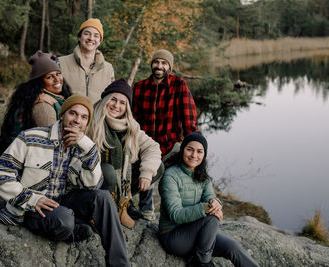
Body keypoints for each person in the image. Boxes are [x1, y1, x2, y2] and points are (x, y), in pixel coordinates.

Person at [0, 95, 130, 267]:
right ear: (62, 115)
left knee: (103, 197)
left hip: (64, 202)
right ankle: (71, 229)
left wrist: (88, 149)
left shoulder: (85, 146)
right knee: (64, 221)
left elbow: (92, 185)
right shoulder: (30, 137)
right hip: (32, 208)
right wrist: (32, 200)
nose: (77, 120)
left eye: (84, 117)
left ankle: (120, 264)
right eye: (73, 113)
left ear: (87, 123)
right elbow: (0, 173)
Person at [158, 132, 259, 267]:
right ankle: (202, 261)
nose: (194, 155)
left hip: (197, 232)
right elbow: (175, 215)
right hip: (174, 237)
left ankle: (200, 256)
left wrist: (216, 203)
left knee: (233, 247)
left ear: (204, 155)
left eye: (199, 151)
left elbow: (210, 196)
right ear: (182, 150)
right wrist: (206, 208)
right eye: (190, 149)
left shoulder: (203, 176)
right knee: (211, 218)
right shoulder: (170, 176)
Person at [131, 49, 199, 220]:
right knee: (146, 166)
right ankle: (146, 209)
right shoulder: (139, 88)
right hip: (146, 143)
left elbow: (188, 116)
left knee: (178, 169)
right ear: (151, 64)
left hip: (170, 143)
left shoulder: (178, 85)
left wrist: (195, 144)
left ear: (169, 67)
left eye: (164, 63)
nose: (159, 66)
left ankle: (181, 208)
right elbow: (133, 119)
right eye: (156, 62)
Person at [87, 79, 164, 228]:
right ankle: (100, 210)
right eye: (113, 100)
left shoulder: (130, 126)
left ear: (127, 107)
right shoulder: (91, 120)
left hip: (118, 184)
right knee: (108, 171)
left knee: (157, 167)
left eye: (122, 103)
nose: (117, 106)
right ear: (105, 100)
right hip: (92, 182)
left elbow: (153, 147)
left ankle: (121, 205)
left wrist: (146, 173)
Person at [0, 50, 71, 155]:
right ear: (39, 82)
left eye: (58, 74)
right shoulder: (43, 106)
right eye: (49, 77)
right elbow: (52, 144)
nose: (57, 79)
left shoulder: (55, 97)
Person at [58, 18, 114, 103]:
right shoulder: (61, 63)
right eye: (87, 34)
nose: (91, 38)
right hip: (66, 115)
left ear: (99, 41)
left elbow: (110, 99)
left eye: (96, 35)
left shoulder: (108, 69)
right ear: (79, 37)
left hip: (96, 116)